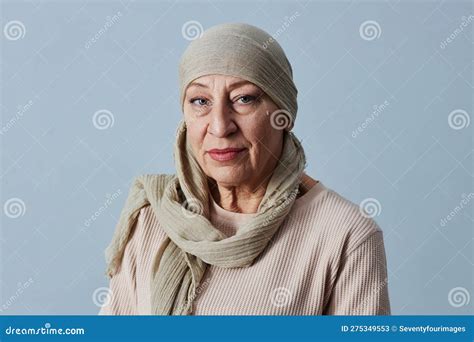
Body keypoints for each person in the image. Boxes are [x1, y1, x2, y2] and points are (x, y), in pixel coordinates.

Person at [99, 22, 390, 315]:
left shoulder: (346, 235)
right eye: (200, 101)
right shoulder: (153, 217)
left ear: (283, 114)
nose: (220, 126)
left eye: (244, 99)